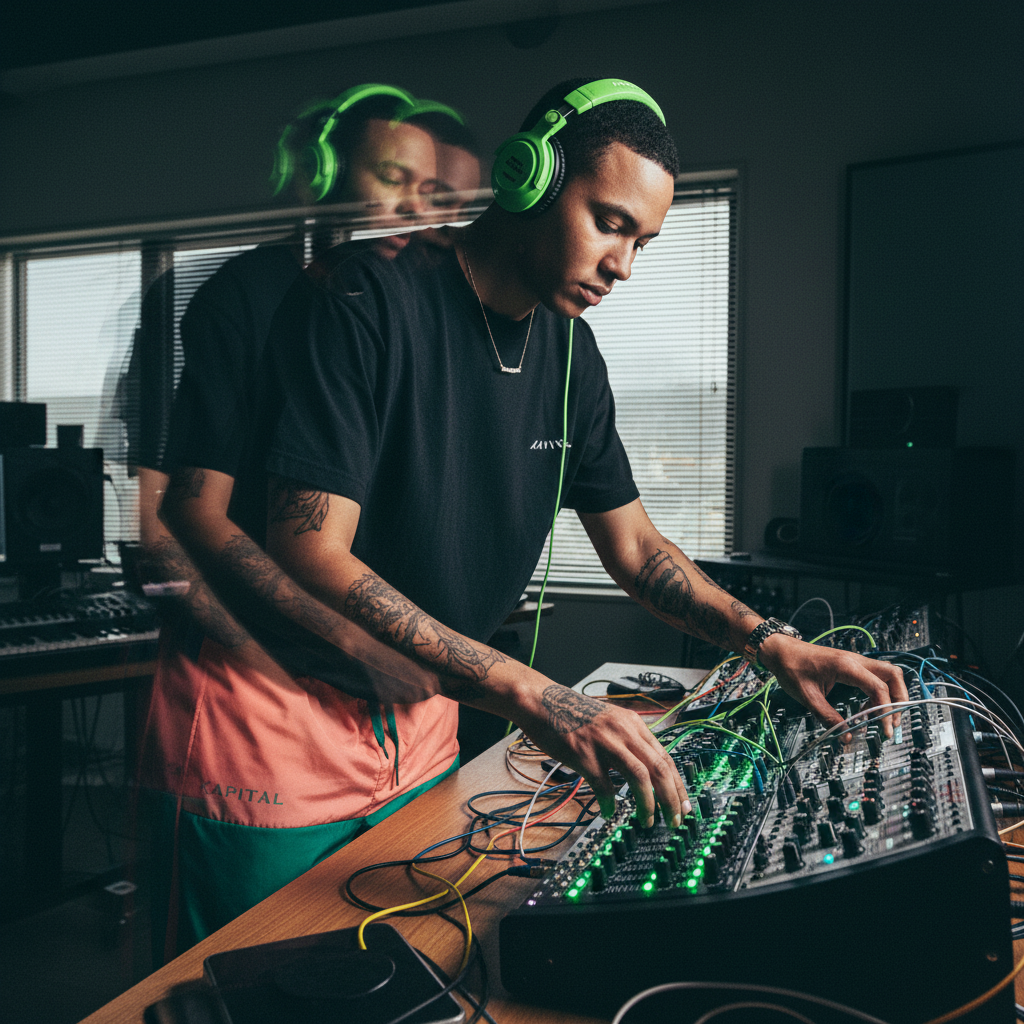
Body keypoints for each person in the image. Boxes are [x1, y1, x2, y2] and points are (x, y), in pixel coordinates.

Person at [160, 77, 907, 955]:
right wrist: (529, 693)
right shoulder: (363, 298)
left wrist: (768, 640)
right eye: (610, 222)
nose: (623, 264)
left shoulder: (572, 357)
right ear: (532, 177)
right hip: (280, 719)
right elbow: (308, 545)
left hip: (424, 718)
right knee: (250, 982)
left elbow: (633, 548)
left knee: (411, 967)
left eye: (645, 241)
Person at [132, 84, 476, 962]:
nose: (411, 204)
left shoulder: (414, 308)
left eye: (426, 186)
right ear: (321, 180)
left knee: (392, 963)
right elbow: (174, 525)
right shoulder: (238, 299)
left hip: (406, 726)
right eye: (388, 176)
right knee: (237, 974)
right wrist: (342, 651)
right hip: (266, 719)